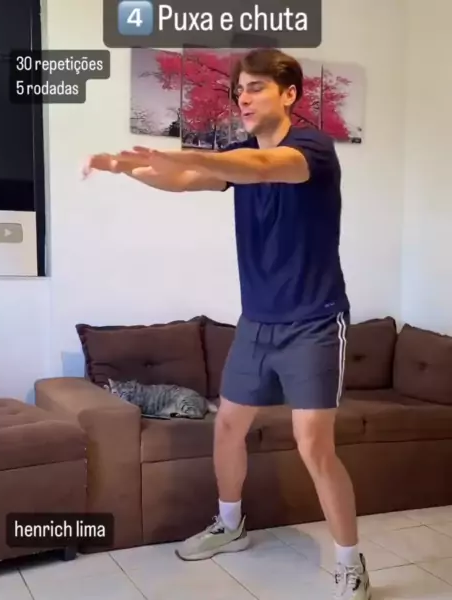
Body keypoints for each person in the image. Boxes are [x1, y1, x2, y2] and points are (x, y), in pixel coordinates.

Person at [84, 48, 371, 600]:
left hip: (314, 323)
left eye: (256, 87)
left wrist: (186, 158)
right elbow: (184, 178)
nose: (243, 97)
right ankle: (230, 524)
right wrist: (123, 168)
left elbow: (259, 168)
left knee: (313, 445)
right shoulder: (237, 157)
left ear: (289, 94)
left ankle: (349, 562)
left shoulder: (312, 148)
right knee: (227, 426)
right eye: (239, 89)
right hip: (256, 324)